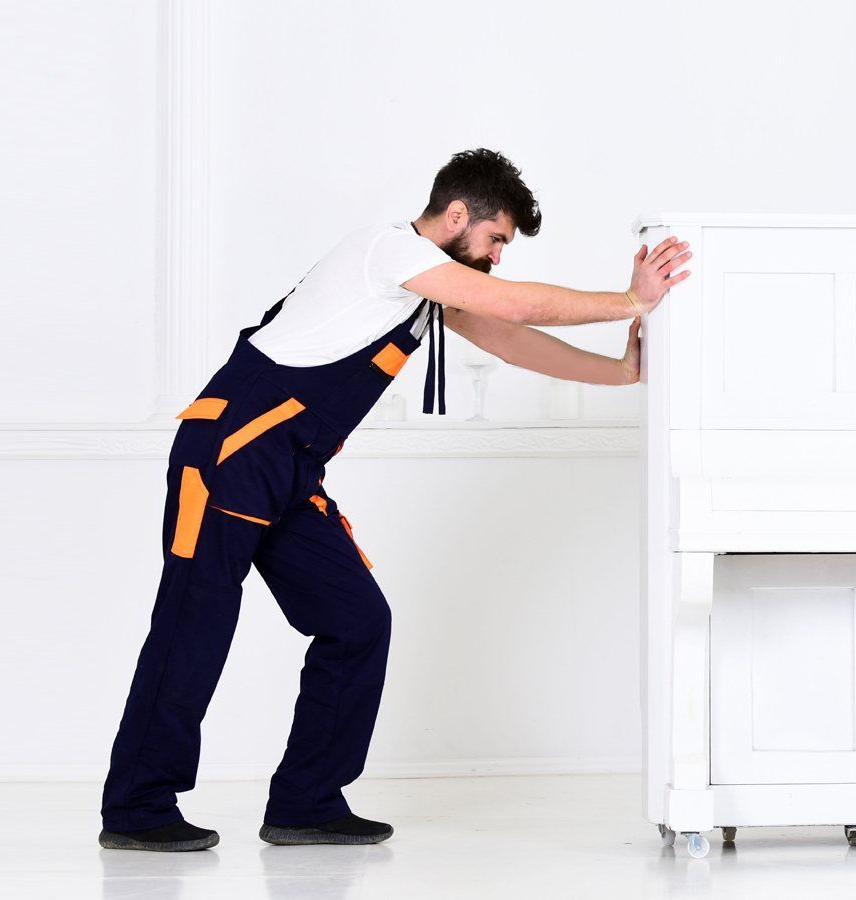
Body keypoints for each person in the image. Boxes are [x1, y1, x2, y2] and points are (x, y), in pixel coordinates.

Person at [99, 148, 691, 851]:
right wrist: (629, 301)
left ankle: (306, 802)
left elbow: (511, 339)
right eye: (495, 239)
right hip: (229, 455)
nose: (497, 257)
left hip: (288, 472)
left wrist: (624, 372)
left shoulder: (429, 288)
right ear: (457, 214)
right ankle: (137, 807)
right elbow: (511, 302)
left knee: (357, 620)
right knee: (193, 624)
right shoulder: (386, 251)